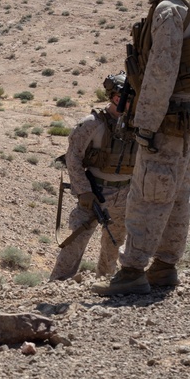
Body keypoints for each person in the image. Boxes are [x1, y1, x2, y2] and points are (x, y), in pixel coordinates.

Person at [94, 0, 190, 296]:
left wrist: (144, 125)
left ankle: (132, 271)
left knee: (148, 194)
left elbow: (161, 72)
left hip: (168, 120)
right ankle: (165, 267)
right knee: (178, 192)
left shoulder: (167, 10)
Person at [51, 72, 136, 281]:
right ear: (117, 98)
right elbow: (73, 159)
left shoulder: (139, 125)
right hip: (94, 194)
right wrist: (84, 191)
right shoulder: (91, 124)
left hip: (125, 194)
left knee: (113, 245)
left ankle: (105, 282)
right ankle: (56, 285)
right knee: (75, 242)